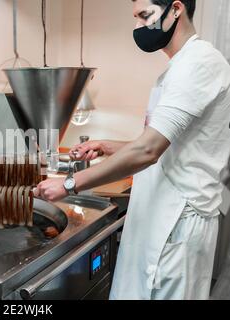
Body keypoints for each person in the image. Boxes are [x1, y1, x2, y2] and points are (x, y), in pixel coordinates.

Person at [34, 0, 230, 300]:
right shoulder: (178, 66)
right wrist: (106, 146)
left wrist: (68, 184)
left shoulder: (199, 63)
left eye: (144, 15)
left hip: (177, 221)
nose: (138, 27)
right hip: (158, 211)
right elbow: (165, 145)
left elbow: (149, 150)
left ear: (175, 9)